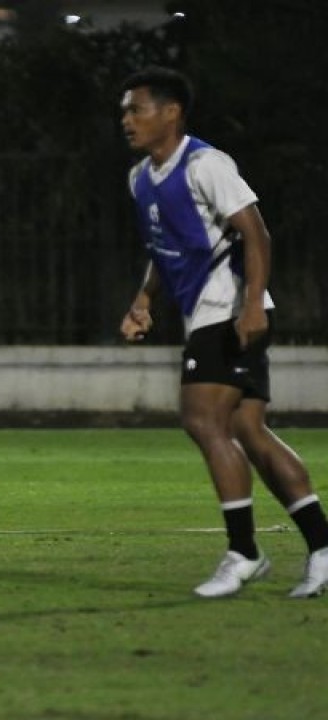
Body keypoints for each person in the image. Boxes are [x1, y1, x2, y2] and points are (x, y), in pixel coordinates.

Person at [118, 66, 328, 599]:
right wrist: (145, 298)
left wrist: (253, 304)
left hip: (230, 311)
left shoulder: (206, 163)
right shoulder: (140, 178)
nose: (127, 119)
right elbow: (163, 249)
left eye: (137, 108)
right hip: (209, 314)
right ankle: (323, 548)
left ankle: (245, 551)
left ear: (171, 112)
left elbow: (255, 232)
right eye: (124, 110)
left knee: (201, 418)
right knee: (250, 434)